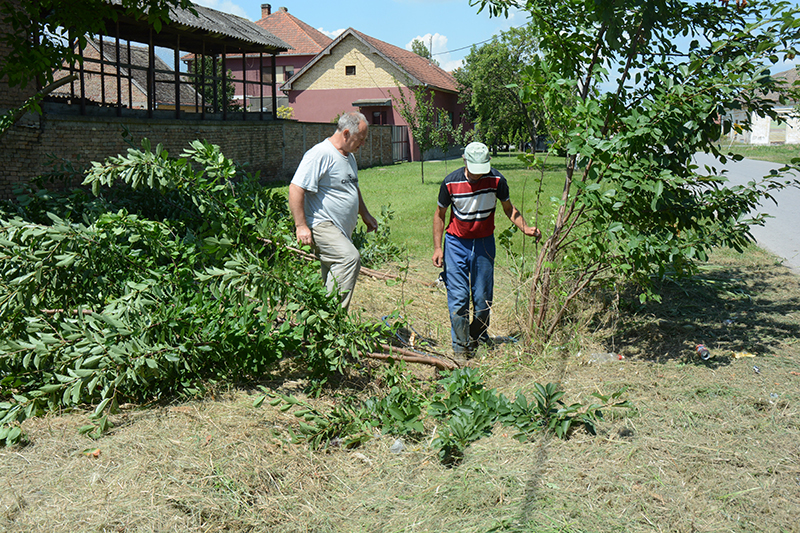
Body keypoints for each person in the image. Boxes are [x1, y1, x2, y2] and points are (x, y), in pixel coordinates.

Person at [432, 142, 541, 354]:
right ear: (465, 161)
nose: (478, 176)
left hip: (484, 243)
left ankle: (477, 337)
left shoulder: (497, 180)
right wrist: (438, 248)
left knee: (483, 300)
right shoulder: (450, 183)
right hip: (456, 244)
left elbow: (509, 209)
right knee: (459, 298)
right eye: (474, 171)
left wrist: (525, 228)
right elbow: (439, 215)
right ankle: (461, 349)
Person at [288, 112, 378, 311]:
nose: (362, 144)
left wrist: (365, 214)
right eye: (360, 139)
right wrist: (301, 226)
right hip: (322, 224)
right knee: (348, 258)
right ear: (346, 133)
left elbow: (353, 187)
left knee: (332, 277)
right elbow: (296, 188)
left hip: (341, 230)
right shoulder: (320, 154)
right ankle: (332, 320)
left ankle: (319, 326)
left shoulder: (349, 156)